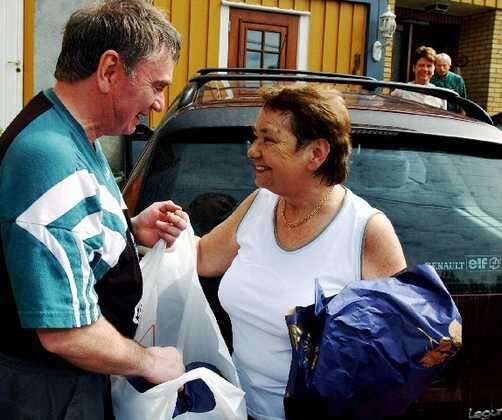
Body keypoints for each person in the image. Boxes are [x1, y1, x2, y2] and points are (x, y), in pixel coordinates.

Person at [0, 1, 187, 418]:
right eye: (157, 86)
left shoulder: (72, 132)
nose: (159, 104)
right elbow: (66, 332)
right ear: (109, 70)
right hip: (47, 394)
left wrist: (129, 231)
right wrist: (149, 361)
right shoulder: (48, 158)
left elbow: (63, 237)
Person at [196, 84, 407, 420]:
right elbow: (204, 257)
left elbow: (396, 352)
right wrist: (152, 229)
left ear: (316, 154)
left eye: (268, 140)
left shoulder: (366, 231)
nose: (253, 151)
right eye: (255, 137)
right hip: (238, 409)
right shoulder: (261, 203)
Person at [392, 45, 447, 110]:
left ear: (434, 69)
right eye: (421, 65)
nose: (425, 69)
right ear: (414, 68)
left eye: (429, 66)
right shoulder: (400, 92)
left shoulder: (440, 96)